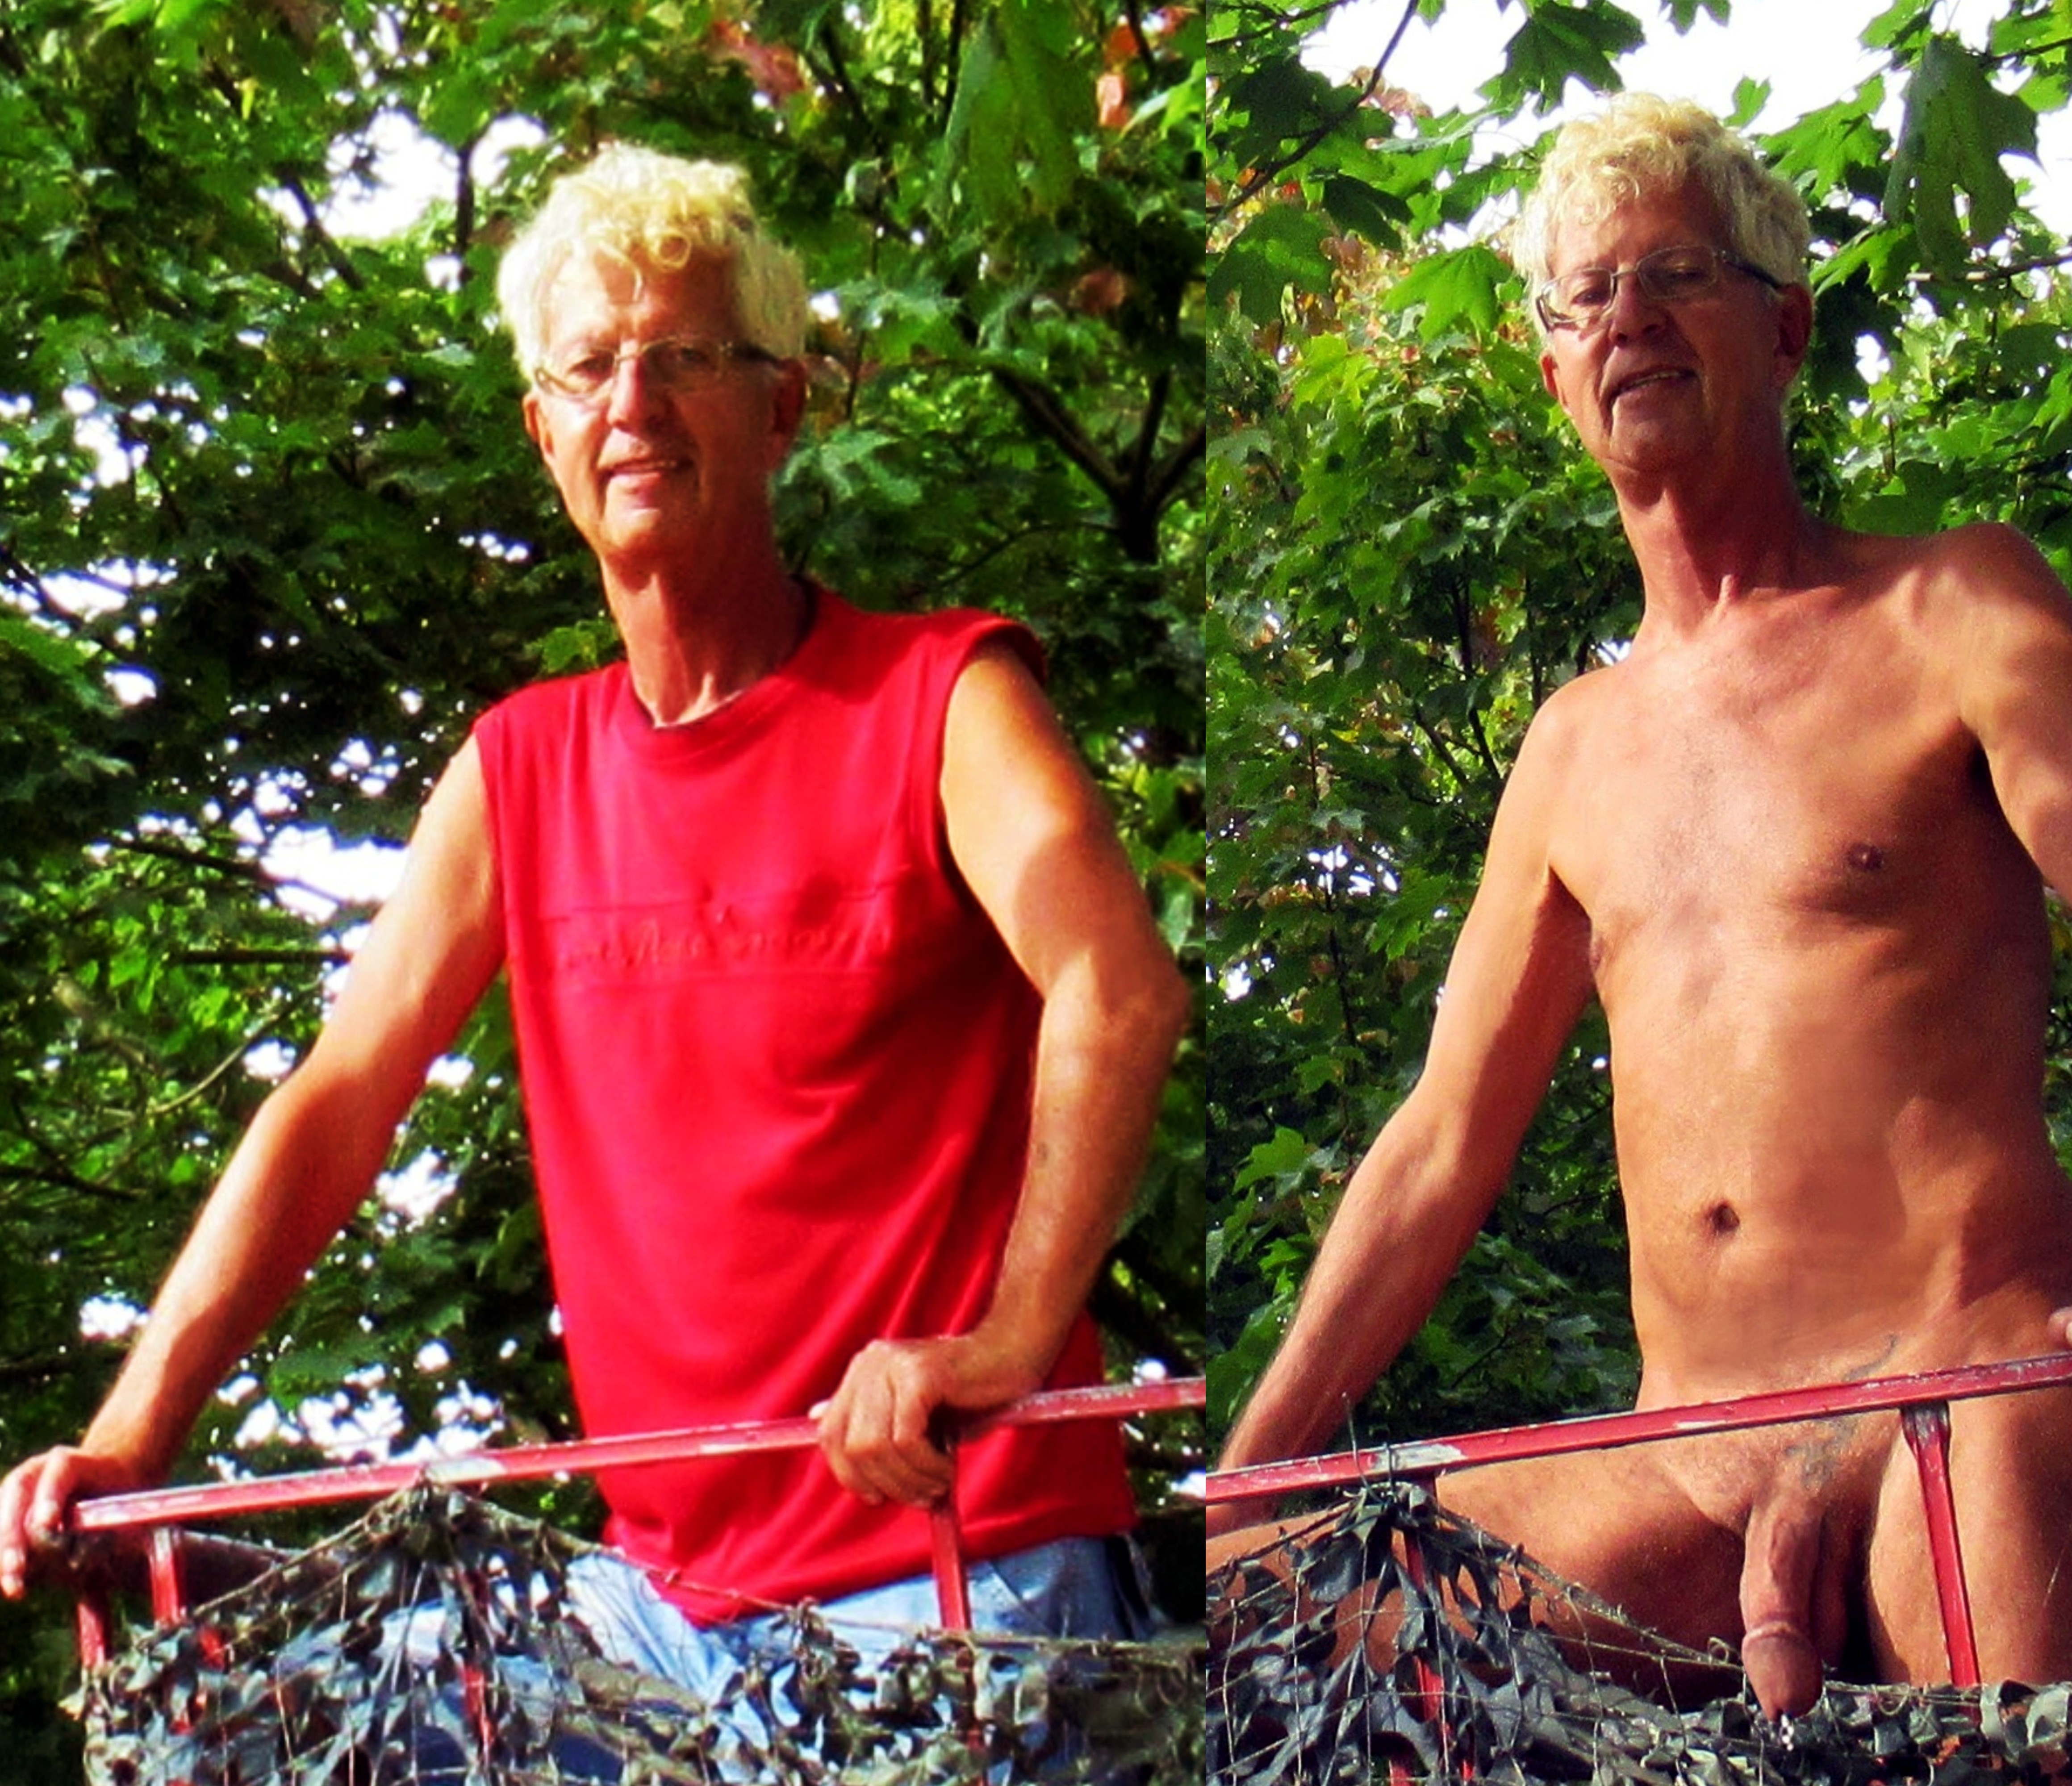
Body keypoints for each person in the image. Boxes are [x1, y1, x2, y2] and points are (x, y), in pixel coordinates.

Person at [0, 142, 1189, 1703]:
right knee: (241, 1719)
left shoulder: (942, 701)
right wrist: (129, 1440)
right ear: (543, 429)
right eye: (589, 368)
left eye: (684, 357)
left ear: (782, 407)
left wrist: (1011, 1339)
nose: (632, 402)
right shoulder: (519, 771)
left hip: (957, 1565)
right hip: (656, 1619)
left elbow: (1116, 984)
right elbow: (338, 1102)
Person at [1208, 93, 2072, 1716]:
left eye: (1675, 274)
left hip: (1962, 1379)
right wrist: (1248, 1477)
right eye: (1583, 297)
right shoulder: (1570, 748)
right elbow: (1439, 1143)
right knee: (1269, 1614)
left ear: (1784, 328)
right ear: (1555, 375)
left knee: (2033, 1754)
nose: (1625, 318)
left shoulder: (1950, 605)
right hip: (1687, 1455)